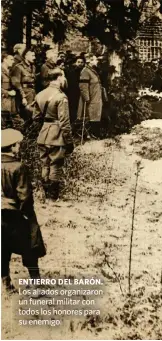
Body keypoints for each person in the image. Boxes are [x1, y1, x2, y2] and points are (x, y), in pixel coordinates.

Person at [2, 128, 46, 293]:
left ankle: (6, 284)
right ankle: (36, 285)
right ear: (12, 147)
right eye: (17, 145)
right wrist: (27, 216)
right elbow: (24, 196)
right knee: (30, 246)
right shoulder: (18, 167)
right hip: (15, 214)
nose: (19, 147)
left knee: (3, 249)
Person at [32, 68, 74, 200]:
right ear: (59, 77)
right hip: (56, 135)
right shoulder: (61, 97)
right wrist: (69, 141)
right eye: (64, 77)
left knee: (45, 164)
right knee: (55, 164)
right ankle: (53, 197)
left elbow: (36, 118)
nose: (65, 80)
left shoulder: (40, 94)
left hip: (43, 134)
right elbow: (65, 123)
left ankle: (45, 194)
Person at [77, 54, 103, 139]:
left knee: (96, 114)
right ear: (90, 61)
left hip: (96, 97)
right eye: (95, 60)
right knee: (92, 115)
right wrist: (87, 99)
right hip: (91, 98)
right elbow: (83, 86)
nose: (97, 61)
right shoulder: (85, 71)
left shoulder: (92, 70)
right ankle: (91, 134)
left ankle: (95, 134)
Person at [10, 48, 36, 124]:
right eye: (32, 55)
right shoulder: (18, 67)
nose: (34, 57)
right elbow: (16, 83)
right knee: (25, 115)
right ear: (26, 56)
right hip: (24, 94)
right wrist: (23, 97)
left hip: (32, 93)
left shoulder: (33, 67)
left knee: (32, 115)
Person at [2, 53, 22, 130]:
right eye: (11, 59)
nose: (13, 61)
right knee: (4, 122)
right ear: (4, 59)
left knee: (12, 120)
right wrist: (7, 92)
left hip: (11, 99)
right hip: (3, 99)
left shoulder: (9, 71)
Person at [64, 55, 85, 124]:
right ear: (75, 62)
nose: (80, 64)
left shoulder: (84, 72)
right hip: (72, 93)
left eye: (82, 62)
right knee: (72, 109)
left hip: (81, 92)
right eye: (78, 62)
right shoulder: (71, 71)